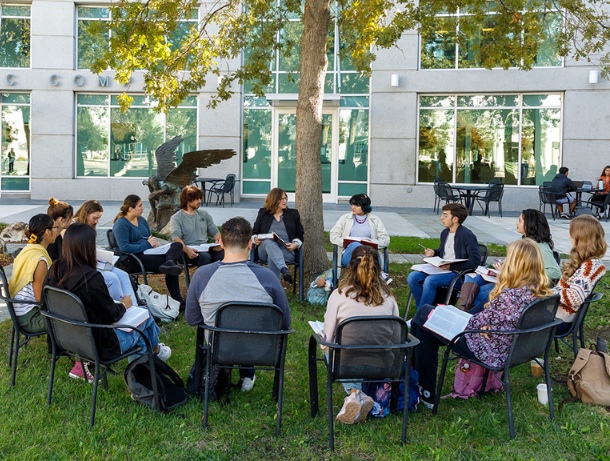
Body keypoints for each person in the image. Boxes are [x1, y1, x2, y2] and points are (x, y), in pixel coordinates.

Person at [411, 238, 553, 408]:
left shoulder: (510, 296)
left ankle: (421, 389)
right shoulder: (538, 291)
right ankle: (421, 388)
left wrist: (482, 322)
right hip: (510, 347)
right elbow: (491, 318)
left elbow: (473, 322)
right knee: (425, 325)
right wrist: (485, 322)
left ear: (516, 264)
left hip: (487, 349)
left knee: (424, 316)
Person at [44, 223, 170, 382]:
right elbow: (112, 315)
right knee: (144, 320)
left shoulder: (55, 269)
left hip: (65, 339)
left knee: (143, 317)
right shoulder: (91, 278)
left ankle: (155, 353)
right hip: (99, 345)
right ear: (88, 247)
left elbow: (45, 303)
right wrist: (124, 305)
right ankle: (143, 374)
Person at [185, 216, 290, 392]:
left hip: (219, 348)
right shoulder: (268, 277)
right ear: (250, 244)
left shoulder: (202, 275)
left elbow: (192, 319)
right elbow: (285, 322)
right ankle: (248, 374)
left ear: (221, 245)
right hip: (261, 351)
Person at [321, 245, 399, 424]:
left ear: (350, 268)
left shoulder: (339, 296)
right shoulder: (389, 298)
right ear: (379, 269)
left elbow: (328, 337)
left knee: (327, 347)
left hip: (345, 365)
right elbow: (397, 337)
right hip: (383, 364)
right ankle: (358, 396)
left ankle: (354, 393)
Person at [460, 209, 561, 313]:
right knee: (472, 277)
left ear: (529, 224)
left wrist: (523, 272)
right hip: (509, 279)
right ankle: (464, 311)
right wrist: (504, 266)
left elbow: (555, 272)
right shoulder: (523, 242)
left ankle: (469, 315)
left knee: (483, 291)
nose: (517, 223)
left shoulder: (540, 247)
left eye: (520, 221)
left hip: (521, 284)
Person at [112, 195, 185, 306]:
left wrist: (153, 243)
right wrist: (147, 245)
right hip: (133, 259)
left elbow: (148, 237)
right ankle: (178, 300)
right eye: (140, 205)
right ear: (131, 208)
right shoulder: (121, 224)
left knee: (176, 245)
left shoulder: (141, 220)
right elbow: (124, 248)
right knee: (171, 267)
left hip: (149, 253)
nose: (143, 208)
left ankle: (169, 262)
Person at [407, 203, 480, 311]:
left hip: (458, 274)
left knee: (430, 281)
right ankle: (424, 311)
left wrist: (451, 267)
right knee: (412, 277)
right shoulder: (445, 233)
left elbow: (475, 261)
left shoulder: (467, 235)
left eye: (445, 215)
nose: (441, 218)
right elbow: (444, 252)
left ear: (455, 219)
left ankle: (421, 315)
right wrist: (434, 253)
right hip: (442, 270)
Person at [72, 199, 137, 305]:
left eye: (99, 218)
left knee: (123, 275)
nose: (96, 221)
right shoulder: (73, 227)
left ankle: (136, 308)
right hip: (83, 266)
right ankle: (122, 307)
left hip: (93, 262)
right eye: (94, 218)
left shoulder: (89, 227)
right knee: (112, 278)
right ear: (85, 213)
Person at [552, 215, 607, 335]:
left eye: (571, 233)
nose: (568, 236)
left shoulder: (589, 267)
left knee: (512, 314)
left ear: (581, 237)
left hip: (558, 320)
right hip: (556, 314)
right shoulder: (588, 262)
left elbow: (574, 297)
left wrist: (547, 294)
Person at [8, 214, 58, 334]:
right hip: (30, 317)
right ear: (47, 232)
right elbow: (40, 298)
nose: (57, 230)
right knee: (75, 316)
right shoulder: (39, 260)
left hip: (20, 313)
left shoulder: (28, 250)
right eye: (55, 228)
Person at [252, 188, 304, 282]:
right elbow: (254, 232)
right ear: (274, 200)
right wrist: (255, 238)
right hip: (265, 250)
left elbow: (300, 234)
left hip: (286, 251)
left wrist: (295, 244)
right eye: (282, 199)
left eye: (285, 198)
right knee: (268, 242)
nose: (285, 201)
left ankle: (274, 290)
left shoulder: (292, 214)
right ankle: (284, 270)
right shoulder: (263, 213)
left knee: (273, 256)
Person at [329, 193, 390, 268]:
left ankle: (362, 270)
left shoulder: (375, 220)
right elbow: (333, 236)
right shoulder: (344, 218)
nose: (353, 207)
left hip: (369, 254)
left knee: (365, 250)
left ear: (364, 207)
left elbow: (385, 240)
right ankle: (365, 268)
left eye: (357, 205)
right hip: (350, 255)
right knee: (355, 245)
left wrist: (371, 242)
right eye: (352, 204)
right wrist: (345, 242)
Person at [169, 185, 224, 267]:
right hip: (188, 250)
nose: (199, 201)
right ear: (187, 200)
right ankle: (202, 279)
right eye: (196, 199)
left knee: (223, 254)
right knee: (205, 257)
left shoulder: (204, 214)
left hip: (205, 248)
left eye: (200, 198)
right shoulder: (177, 218)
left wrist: (219, 242)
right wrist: (187, 250)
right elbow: (176, 238)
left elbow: (214, 231)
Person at [46, 197, 74, 261]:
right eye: (70, 218)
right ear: (61, 220)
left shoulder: (56, 236)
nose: (71, 221)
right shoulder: (51, 241)